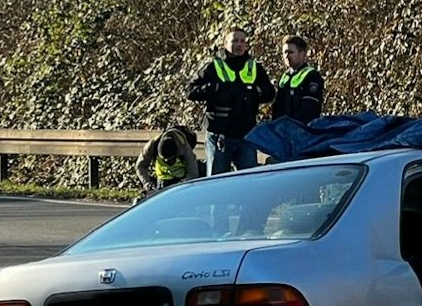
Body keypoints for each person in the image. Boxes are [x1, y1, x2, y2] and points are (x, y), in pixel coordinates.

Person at [186, 26, 274, 175]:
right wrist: (215, 88)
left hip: (246, 136)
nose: (239, 44)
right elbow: (190, 91)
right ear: (225, 43)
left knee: (249, 181)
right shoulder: (213, 66)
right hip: (219, 136)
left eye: (242, 41)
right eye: (234, 41)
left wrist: (252, 92)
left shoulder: (254, 67)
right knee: (216, 183)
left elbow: (270, 93)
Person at [270, 35, 326, 125]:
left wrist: (294, 127)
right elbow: (277, 108)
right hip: (282, 128)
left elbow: (309, 109)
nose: (287, 56)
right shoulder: (285, 76)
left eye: (291, 52)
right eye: (285, 52)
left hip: (303, 128)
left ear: (302, 54)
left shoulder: (312, 76)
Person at [134, 125, 200, 196]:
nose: (167, 162)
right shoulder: (153, 145)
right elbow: (140, 166)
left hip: (182, 179)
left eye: (170, 160)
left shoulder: (184, 148)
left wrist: (182, 185)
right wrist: (147, 183)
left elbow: (193, 173)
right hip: (162, 180)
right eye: (163, 159)